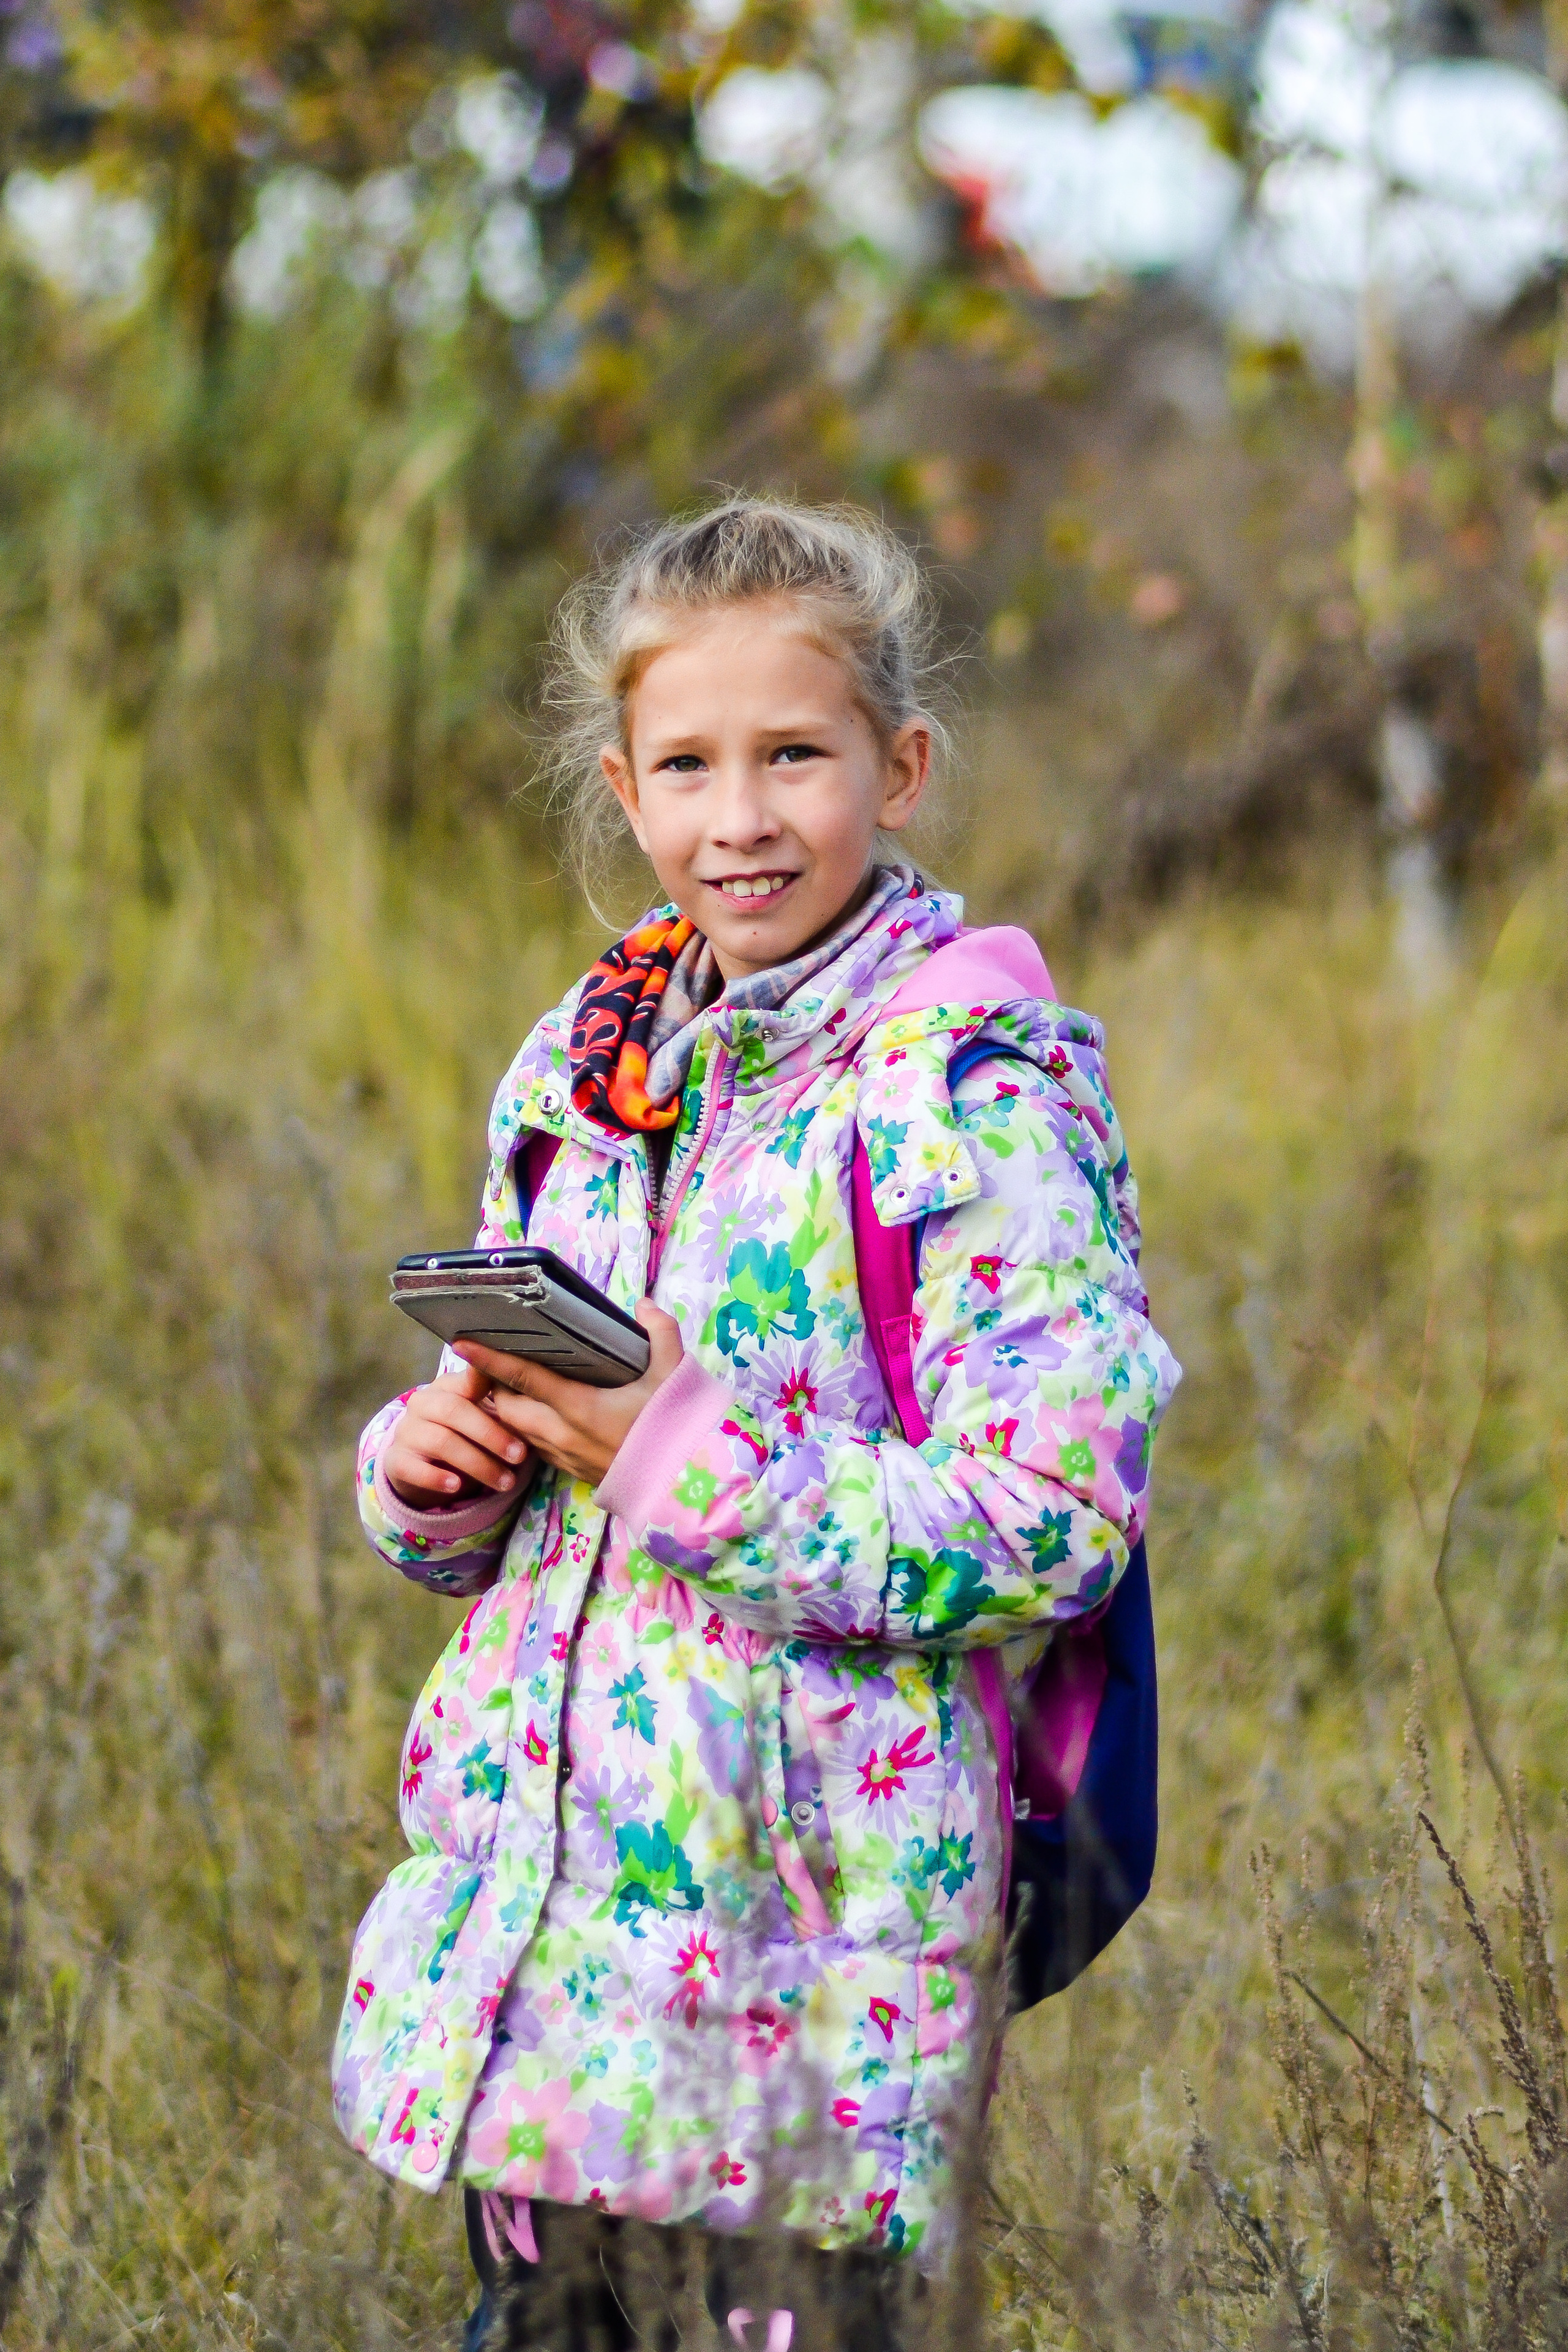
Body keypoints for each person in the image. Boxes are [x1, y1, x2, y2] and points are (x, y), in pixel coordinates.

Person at [332, 496, 1180, 2350]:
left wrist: (663, 1442)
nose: (743, 817)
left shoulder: (966, 1091)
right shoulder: (584, 1067)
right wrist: (431, 1476)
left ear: (903, 765)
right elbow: (514, 1443)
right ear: (625, 790)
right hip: (547, 1952)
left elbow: (1050, 1513)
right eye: (690, 765)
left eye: (796, 755)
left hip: (809, 1971)